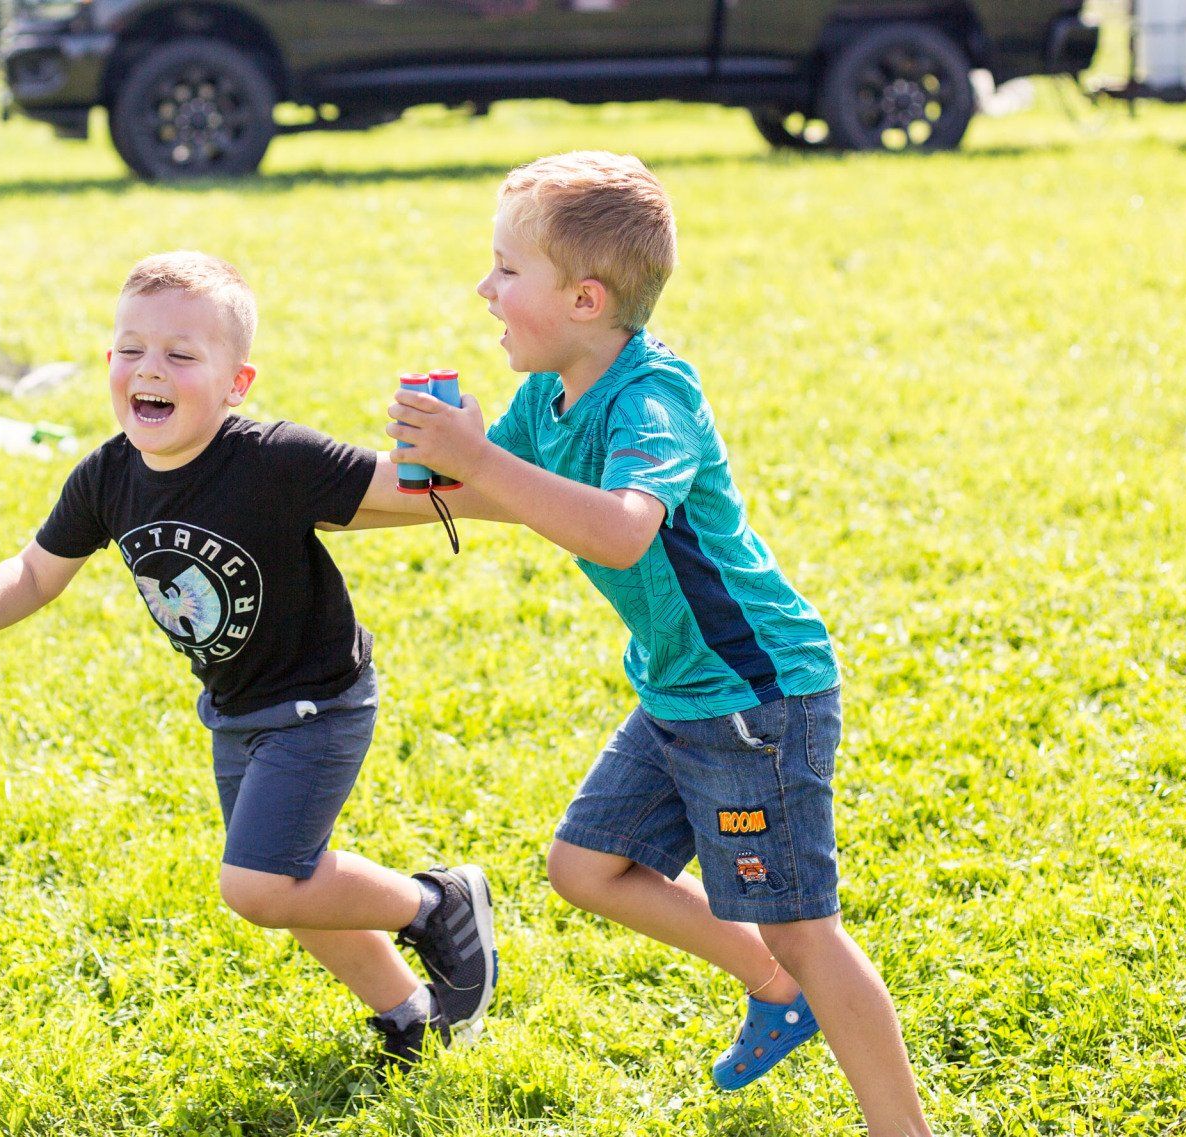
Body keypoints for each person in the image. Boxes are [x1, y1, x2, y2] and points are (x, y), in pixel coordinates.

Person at [386, 152, 934, 1134]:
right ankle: (773, 985)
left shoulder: (651, 399)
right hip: (681, 690)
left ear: (586, 298)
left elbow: (621, 527)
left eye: (507, 270)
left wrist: (471, 459)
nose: (485, 289)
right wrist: (288, 488)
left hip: (754, 700)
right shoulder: (550, 401)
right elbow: (475, 495)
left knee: (810, 930)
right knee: (585, 865)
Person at [0, 251, 500, 1067]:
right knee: (291, 886)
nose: (150, 369)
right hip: (238, 710)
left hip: (319, 700)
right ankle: (409, 1013)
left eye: (181, 355)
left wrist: (474, 461)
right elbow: (36, 570)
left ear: (236, 383)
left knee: (260, 882)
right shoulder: (109, 475)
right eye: (131, 350)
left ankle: (436, 901)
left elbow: (410, 491)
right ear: (110, 364)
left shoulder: (274, 458)